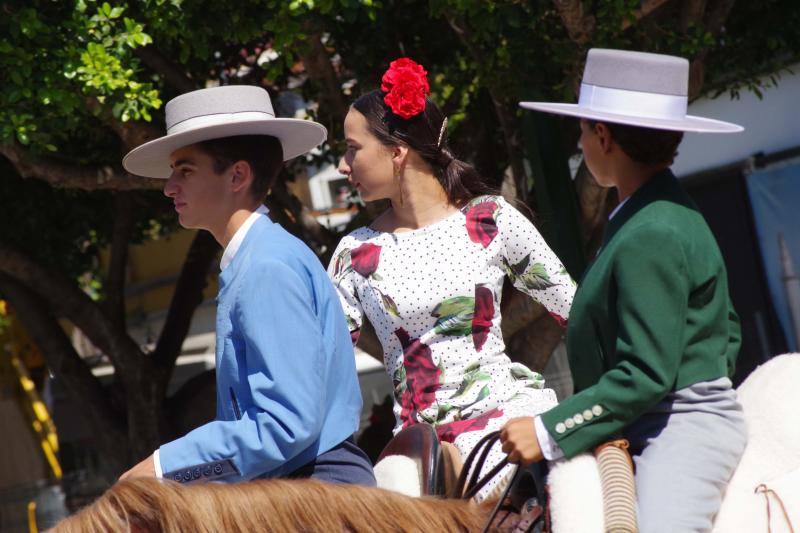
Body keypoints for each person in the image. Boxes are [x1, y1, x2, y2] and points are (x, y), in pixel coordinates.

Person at [501, 48, 746, 531]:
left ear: (604, 136)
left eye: (583, 129)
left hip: (680, 427)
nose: (580, 140)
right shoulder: (652, 213)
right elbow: (729, 332)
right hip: (651, 416)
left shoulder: (650, 229)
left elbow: (645, 374)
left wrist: (550, 430)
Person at [328, 58, 575, 499]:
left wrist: (607, 405)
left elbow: (577, 310)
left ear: (396, 151)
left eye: (351, 148)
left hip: (507, 424)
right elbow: (322, 366)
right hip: (418, 453)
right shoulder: (353, 253)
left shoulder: (490, 219)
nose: (343, 165)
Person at [119, 85, 375, 486]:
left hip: (314, 498)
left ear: (237, 175)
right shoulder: (258, 259)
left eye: (184, 170)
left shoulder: (266, 265)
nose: (169, 186)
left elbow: (285, 422)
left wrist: (163, 468)